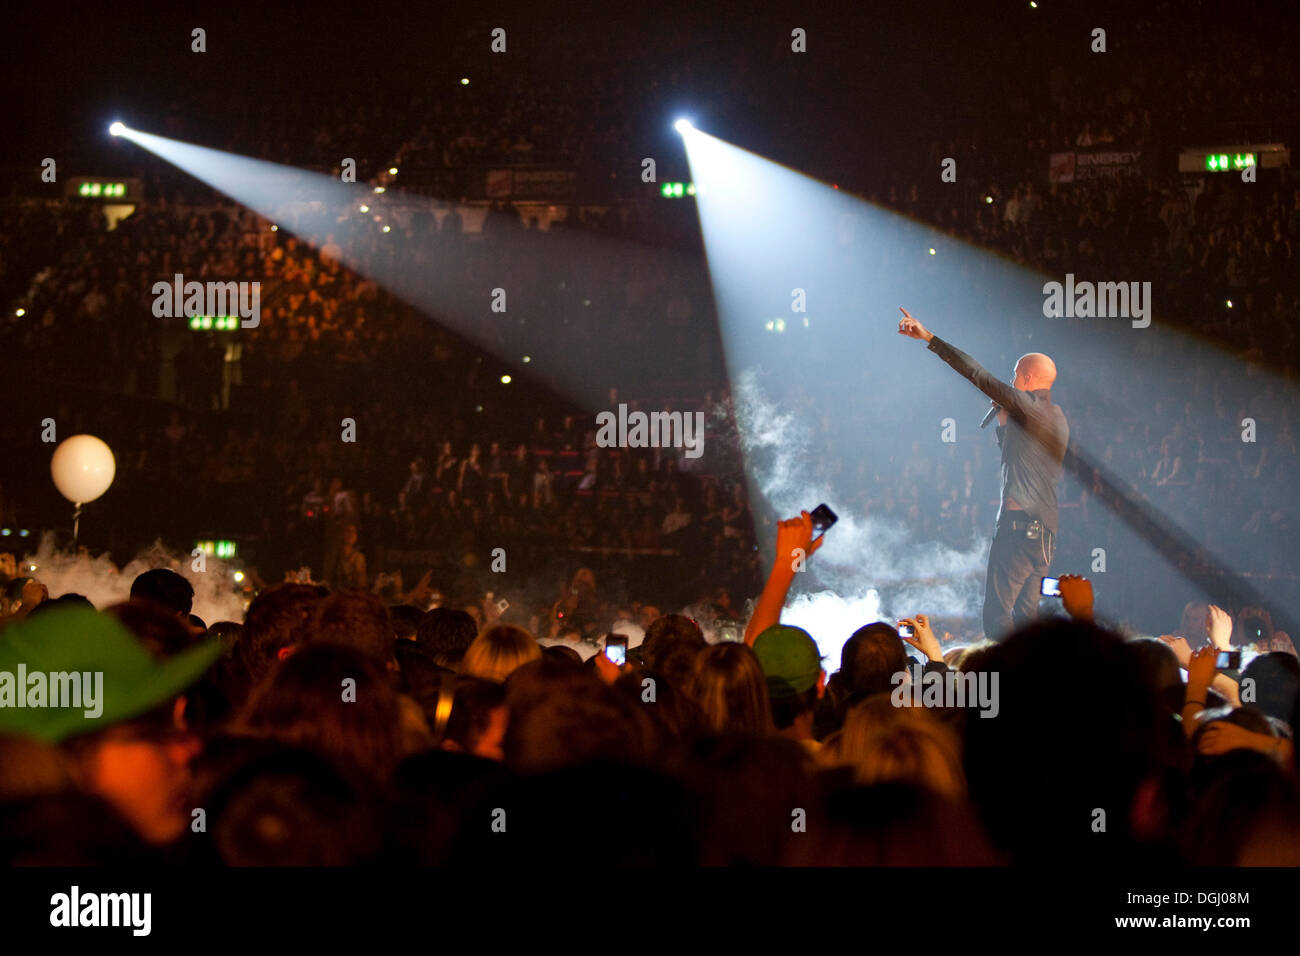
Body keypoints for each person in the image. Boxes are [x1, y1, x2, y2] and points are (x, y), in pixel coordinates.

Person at [898, 307, 1069, 640]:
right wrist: (1005, 426)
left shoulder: (1028, 405)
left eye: (1015, 375)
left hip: (1018, 530)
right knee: (1026, 618)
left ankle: (1004, 684)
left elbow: (977, 374)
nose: (1012, 382)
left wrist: (929, 337)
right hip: (1044, 534)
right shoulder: (1056, 417)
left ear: (1028, 378)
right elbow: (1020, 461)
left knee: (997, 615)